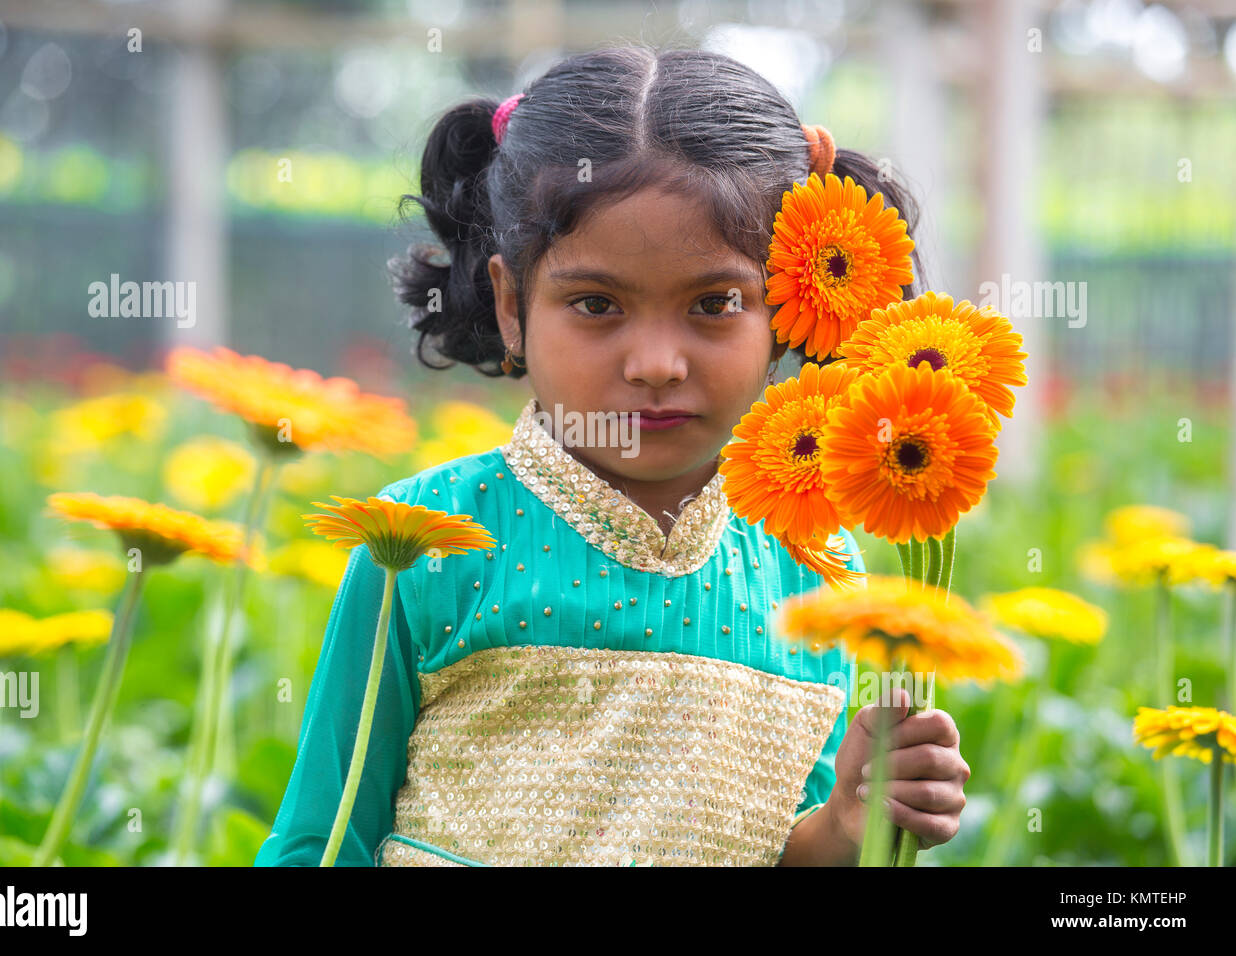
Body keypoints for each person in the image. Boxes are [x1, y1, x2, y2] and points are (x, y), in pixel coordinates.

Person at [254, 44, 969, 867]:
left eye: (715, 304)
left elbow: (780, 849)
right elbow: (322, 837)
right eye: (596, 304)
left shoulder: (822, 576)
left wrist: (849, 823)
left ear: (792, 306)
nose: (657, 363)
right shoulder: (418, 544)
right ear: (511, 303)